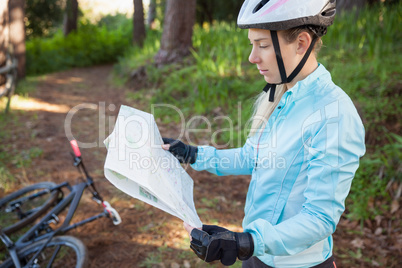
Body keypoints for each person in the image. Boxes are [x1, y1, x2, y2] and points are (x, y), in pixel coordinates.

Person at [162, 0, 366, 267]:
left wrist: (245, 242)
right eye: (252, 44)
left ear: (301, 44)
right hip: (258, 256)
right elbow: (253, 157)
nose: (252, 57)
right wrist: (193, 154)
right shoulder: (281, 96)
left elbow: (320, 218)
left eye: (263, 45)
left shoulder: (334, 114)